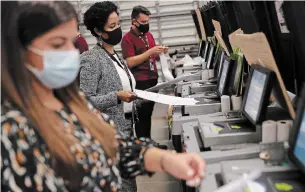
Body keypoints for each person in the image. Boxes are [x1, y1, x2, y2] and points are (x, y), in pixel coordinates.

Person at [1, 1, 205, 191]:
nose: (71, 53)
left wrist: (164, 159)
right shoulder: (12, 128)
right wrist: (116, 96)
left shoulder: (70, 102)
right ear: (18, 50)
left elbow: (115, 146)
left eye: (72, 42)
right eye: (56, 45)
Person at [121, 6, 168, 148]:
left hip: (152, 79)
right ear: (134, 22)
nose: (146, 24)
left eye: (148, 21)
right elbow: (130, 61)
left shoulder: (149, 35)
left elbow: (152, 57)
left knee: (149, 114)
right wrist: (150, 52)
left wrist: (160, 52)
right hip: (140, 82)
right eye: (143, 21)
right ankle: (143, 147)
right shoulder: (127, 39)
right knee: (141, 116)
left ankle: (148, 143)